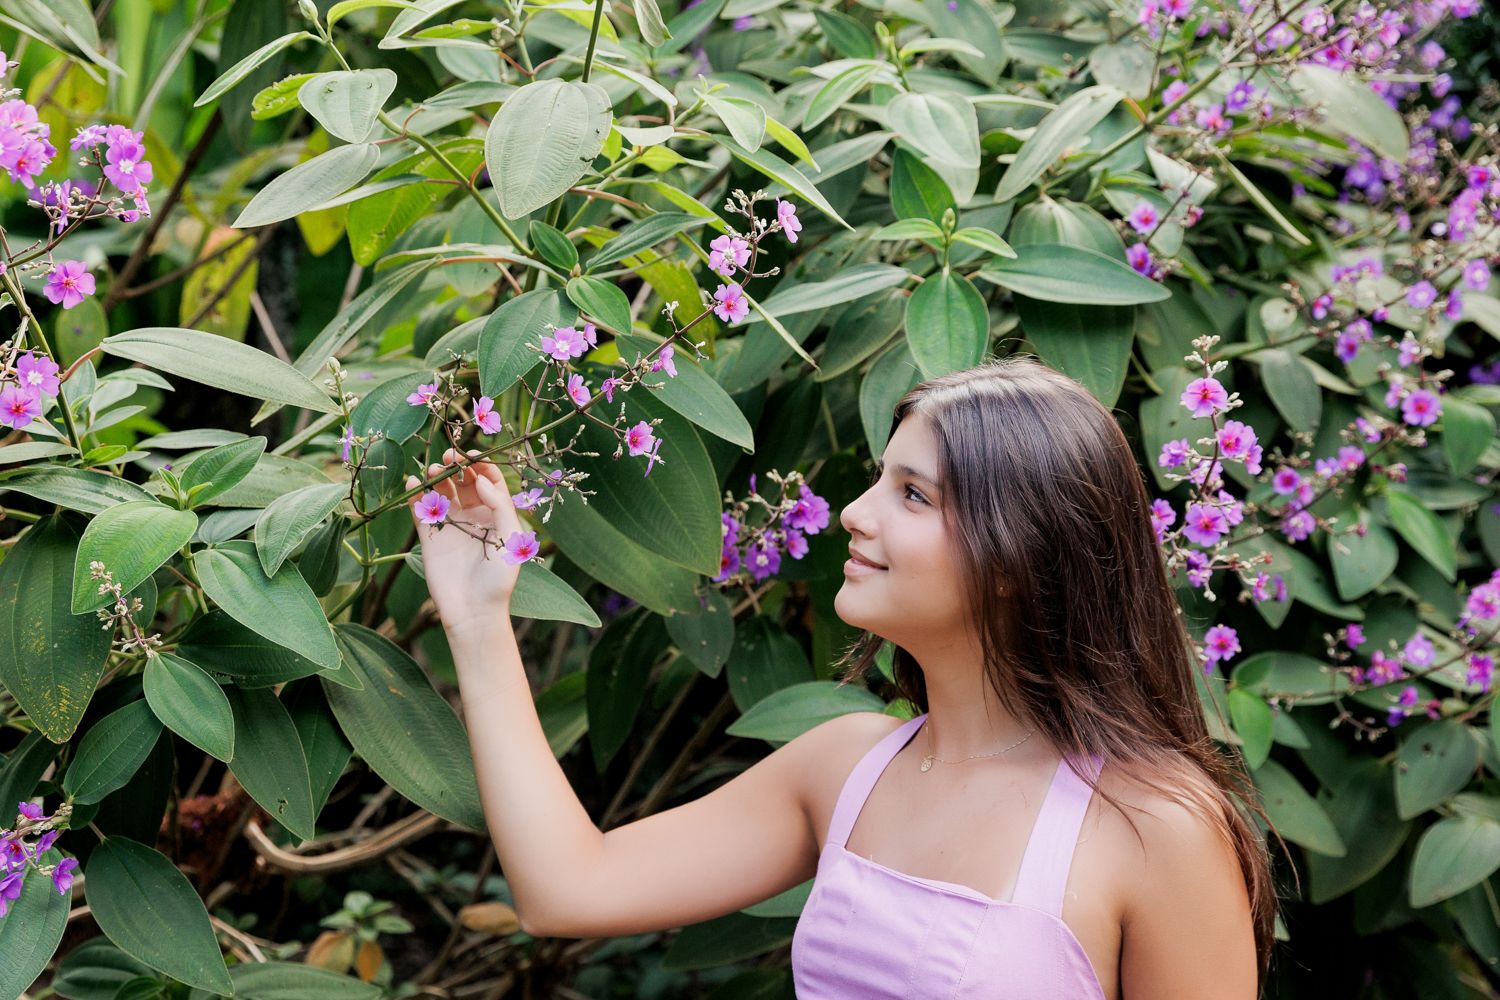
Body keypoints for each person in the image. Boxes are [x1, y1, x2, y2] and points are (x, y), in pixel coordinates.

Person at [406, 355, 1276, 999]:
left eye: (912, 495)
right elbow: (568, 888)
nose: (854, 515)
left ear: (1019, 555)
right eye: (877, 482)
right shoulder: (844, 765)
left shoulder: (1156, 825)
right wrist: (479, 619)